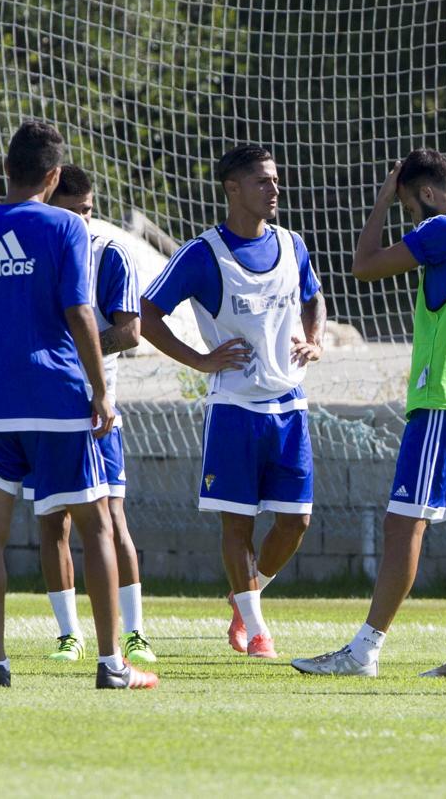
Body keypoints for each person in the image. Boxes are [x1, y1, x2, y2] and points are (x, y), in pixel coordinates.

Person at [0, 120, 157, 689]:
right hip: (57, 399)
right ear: (53, 177)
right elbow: (81, 314)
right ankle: (111, 664)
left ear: (7, 170)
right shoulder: (66, 227)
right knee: (96, 525)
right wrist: (102, 390)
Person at [291, 149, 446, 677]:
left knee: (403, 525)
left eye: (408, 207)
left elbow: (364, 266)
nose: (413, 220)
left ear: (427, 194)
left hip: (442, 401)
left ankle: (364, 650)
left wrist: (378, 203)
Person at [141, 144, 326, 660]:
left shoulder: (292, 245)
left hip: (289, 406)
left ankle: (247, 595)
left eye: (275, 180)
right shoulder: (204, 254)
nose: (275, 190)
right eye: (264, 181)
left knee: (296, 521)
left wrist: (316, 337)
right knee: (237, 521)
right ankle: (256, 628)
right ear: (234, 189)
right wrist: (199, 360)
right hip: (234, 410)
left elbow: (314, 297)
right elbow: (147, 313)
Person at [37, 164, 155, 667]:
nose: (83, 221)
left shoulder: (109, 253)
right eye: (72, 211)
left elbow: (129, 332)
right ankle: (69, 634)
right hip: (44, 408)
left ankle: (134, 633)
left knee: (111, 518)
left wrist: (80, 356)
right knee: (51, 523)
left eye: (88, 210)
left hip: (96, 409)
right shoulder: (34, 252)